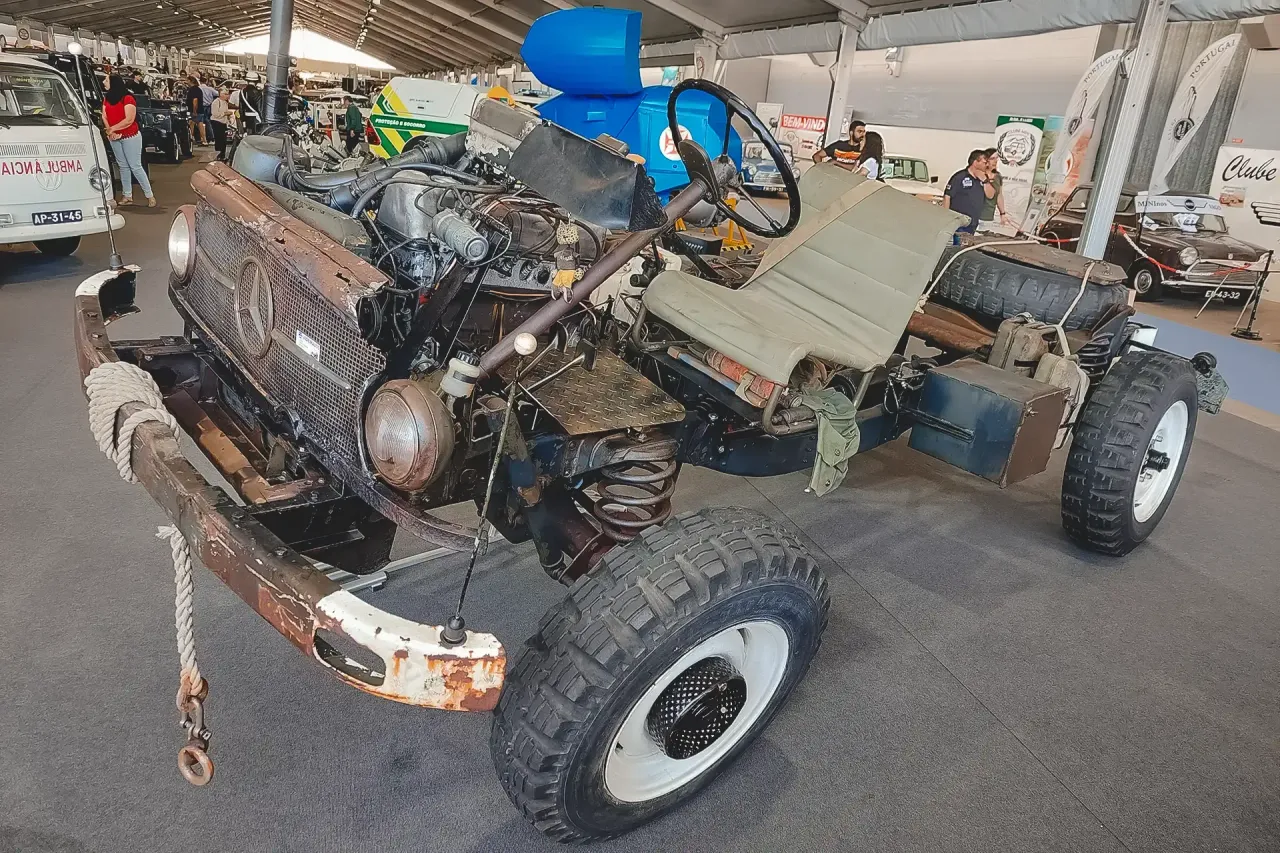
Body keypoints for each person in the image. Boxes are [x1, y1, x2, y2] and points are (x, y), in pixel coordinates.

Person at [101, 74, 156, 208]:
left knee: (135, 166)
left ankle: (149, 195)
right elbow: (104, 116)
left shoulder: (128, 98)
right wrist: (111, 131)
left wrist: (112, 129)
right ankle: (127, 195)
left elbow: (129, 120)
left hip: (130, 136)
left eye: (106, 80)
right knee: (123, 166)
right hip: (114, 137)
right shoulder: (107, 98)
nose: (104, 82)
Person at [943, 149, 997, 239]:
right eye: (984, 162)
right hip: (959, 222)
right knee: (956, 245)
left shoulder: (984, 178)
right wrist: (945, 217)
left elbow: (991, 195)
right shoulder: (960, 176)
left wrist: (985, 181)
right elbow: (947, 197)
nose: (987, 165)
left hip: (973, 222)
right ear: (975, 162)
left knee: (967, 244)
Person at [978, 147, 1012, 229]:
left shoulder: (998, 176)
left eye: (996, 158)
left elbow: (999, 195)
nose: (995, 161)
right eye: (992, 158)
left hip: (989, 217)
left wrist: (1002, 213)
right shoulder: (979, 175)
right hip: (977, 216)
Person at [210, 87, 231, 162]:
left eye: (228, 94)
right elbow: (215, 114)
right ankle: (218, 156)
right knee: (219, 140)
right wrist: (225, 113)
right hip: (217, 122)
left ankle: (223, 156)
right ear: (221, 94)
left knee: (223, 140)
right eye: (225, 94)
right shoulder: (216, 102)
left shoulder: (225, 102)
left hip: (223, 123)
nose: (227, 96)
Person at [185, 76, 207, 146]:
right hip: (200, 110)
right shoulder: (198, 89)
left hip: (194, 111)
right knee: (200, 125)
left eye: (187, 80)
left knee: (191, 124)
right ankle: (204, 140)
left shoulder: (193, 90)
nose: (186, 82)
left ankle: (190, 139)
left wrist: (194, 111)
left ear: (191, 81)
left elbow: (195, 100)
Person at [200, 76, 217, 143]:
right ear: (206, 81)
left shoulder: (198, 88)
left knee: (201, 122)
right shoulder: (210, 89)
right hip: (209, 106)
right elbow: (217, 94)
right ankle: (211, 136)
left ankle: (205, 137)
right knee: (208, 121)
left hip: (201, 106)